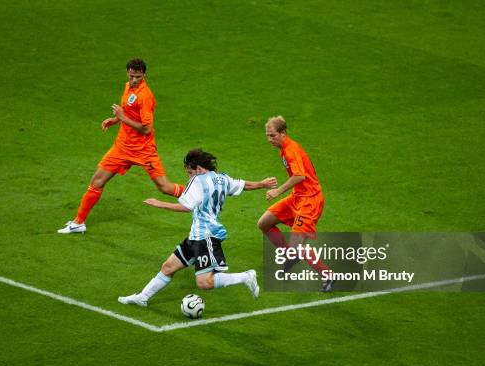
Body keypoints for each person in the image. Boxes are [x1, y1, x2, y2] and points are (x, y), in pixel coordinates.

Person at [118, 149, 278, 307]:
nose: (189, 176)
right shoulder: (222, 179)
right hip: (196, 236)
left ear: (199, 169)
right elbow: (243, 185)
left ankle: (245, 277)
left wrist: (159, 203)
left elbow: (186, 206)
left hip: (205, 236)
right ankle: (142, 297)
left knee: (204, 282)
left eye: (189, 172)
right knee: (168, 267)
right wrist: (262, 184)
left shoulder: (198, 181)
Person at [58, 58, 185, 234]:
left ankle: (199, 194)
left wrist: (122, 117)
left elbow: (147, 129)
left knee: (164, 187)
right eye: (132, 76)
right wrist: (115, 120)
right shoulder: (128, 87)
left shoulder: (145, 96)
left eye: (138, 77)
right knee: (97, 180)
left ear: (144, 75)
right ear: (127, 73)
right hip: (122, 147)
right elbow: (127, 110)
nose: (134, 80)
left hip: (143, 150)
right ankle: (79, 222)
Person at [257, 116, 334, 292]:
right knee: (264, 223)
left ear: (283, 133)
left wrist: (277, 191)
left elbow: (300, 176)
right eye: (267, 136)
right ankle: (290, 257)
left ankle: (328, 275)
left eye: (272, 135)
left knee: (297, 246)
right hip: (297, 197)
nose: (269, 140)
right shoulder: (284, 148)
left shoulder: (291, 150)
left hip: (309, 201)